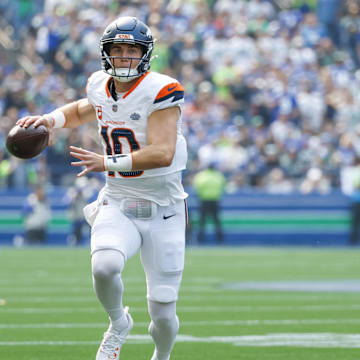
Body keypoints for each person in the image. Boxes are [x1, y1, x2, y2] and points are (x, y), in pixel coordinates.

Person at [17, 16, 188, 360]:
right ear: (106, 53)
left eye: (131, 51)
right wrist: (50, 120)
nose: (123, 57)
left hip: (163, 209)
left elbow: (163, 153)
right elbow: (83, 110)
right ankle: (118, 322)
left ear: (144, 54)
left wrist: (106, 162)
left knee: (164, 315)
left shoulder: (161, 89)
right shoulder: (99, 84)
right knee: (104, 267)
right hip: (119, 200)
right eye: (118, 50)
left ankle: (162, 356)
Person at [193, 163, 226, 244]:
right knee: (217, 221)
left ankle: (200, 240)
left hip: (204, 200)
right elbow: (223, 185)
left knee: (202, 221)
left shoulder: (201, 176)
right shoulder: (219, 176)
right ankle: (220, 240)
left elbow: (197, 187)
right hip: (215, 200)